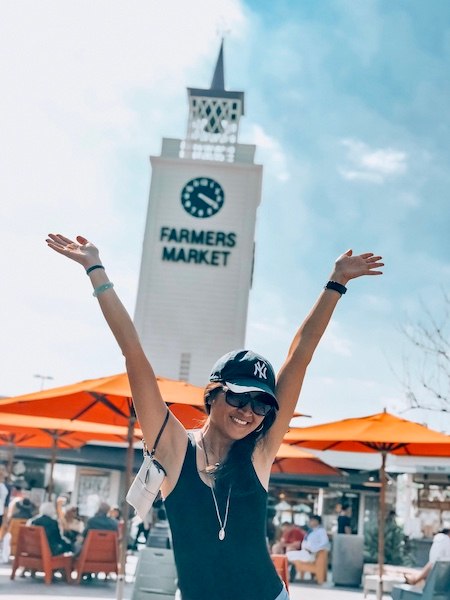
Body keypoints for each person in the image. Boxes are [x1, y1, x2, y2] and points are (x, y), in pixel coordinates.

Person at [46, 233, 383, 600]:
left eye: (261, 404)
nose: (249, 413)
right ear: (213, 395)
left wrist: (336, 282)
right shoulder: (174, 448)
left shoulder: (260, 451)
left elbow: (299, 356)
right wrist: (95, 270)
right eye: (239, 398)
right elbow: (133, 354)